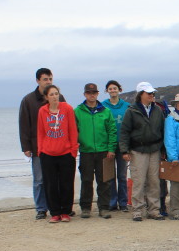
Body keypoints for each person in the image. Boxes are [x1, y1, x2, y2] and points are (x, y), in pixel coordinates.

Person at [18, 68, 65, 219]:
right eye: (45, 79)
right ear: (38, 80)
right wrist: (25, 147)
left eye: (50, 79)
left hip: (57, 146)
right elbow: (24, 124)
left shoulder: (60, 97)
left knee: (55, 179)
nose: (49, 82)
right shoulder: (29, 100)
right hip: (37, 146)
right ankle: (40, 208)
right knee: (39, 180)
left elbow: (66, 120)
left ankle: (56, 208)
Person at [119, 82, 166, 221]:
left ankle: (154, 210)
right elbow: (124, 132)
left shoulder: (157, 110)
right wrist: (124, 151)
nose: (152, 95)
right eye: (149, 93)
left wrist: (163, 150)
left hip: (154, 149)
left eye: (152, 93)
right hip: (137, 150)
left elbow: (162, 131)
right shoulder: (131, 111)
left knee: (154, 182)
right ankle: (137, 210)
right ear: (141, 95)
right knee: (139, 181)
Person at [74, 83, 117, 219]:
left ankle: (104, 208)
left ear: (98, 94)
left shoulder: (105, 111)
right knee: (86, 180)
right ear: (85, 94)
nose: (91, 95)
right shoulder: (78, 111)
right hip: (86, 151)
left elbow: (112, 131)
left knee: (104, 181)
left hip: (104, 151)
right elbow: (74, 131)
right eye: (89, 93)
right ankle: (86, 208)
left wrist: (111, 149)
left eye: (94, 93)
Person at [36, 85, 78, 223]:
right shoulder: (42, 111)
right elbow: (41, 132)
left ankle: (65, 211)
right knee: (50, 184)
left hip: (66, 153)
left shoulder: (67, 109)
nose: (55, 97)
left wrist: (73, 150)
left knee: (66, 183)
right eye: (52, 94)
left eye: (56, 94)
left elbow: (72, 130)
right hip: (48, 154)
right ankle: (55, 212)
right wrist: (41, 150)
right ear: (46, 97)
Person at [102, 80, 131, 212]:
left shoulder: (127, 106)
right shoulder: (103, 106)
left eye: (115, 88)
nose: (113, 91)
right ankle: (112, 202)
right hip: (109, 146)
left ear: (119, 90)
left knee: (122, 176)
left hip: (123, 146)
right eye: (110, 89)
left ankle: (123, 203)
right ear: (106, 91)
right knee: (110, 176)